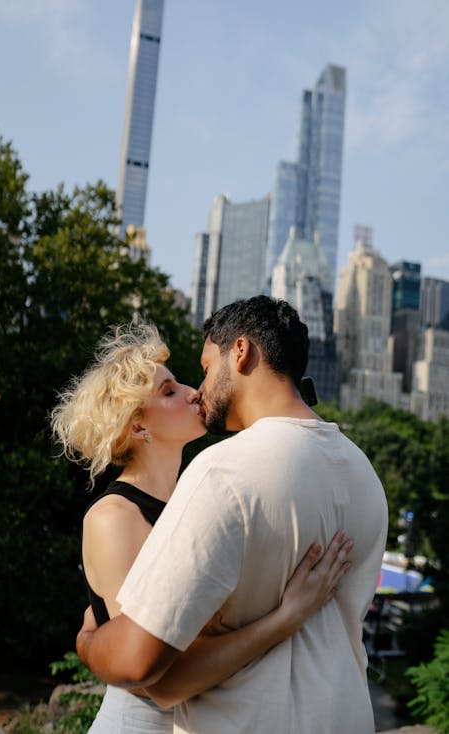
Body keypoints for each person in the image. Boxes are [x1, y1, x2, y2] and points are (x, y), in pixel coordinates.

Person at [76, 298, 389, 733]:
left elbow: (149, 671)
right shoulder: (363, 473)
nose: (198, 390)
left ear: (240, 352)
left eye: (204, 368)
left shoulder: (222, 473)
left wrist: (89, 642)